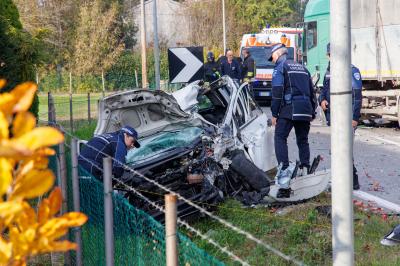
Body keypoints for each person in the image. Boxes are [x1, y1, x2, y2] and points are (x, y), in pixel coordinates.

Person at [269, 43, 317, 198]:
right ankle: (305, 168)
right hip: (306, 109)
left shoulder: (280, 67)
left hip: (289, 109)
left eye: (273, 58)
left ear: (277, 54)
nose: (272, 61)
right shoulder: (303, 68)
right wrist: (312, 110)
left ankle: (284, 170)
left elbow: (277, 92)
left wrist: (274, 113)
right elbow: (312, 91)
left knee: (280, 137)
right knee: (303, 140)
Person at [320, 42, 362, 190]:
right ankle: (351, 180)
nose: (332, 58)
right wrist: (322, 100)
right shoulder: (329, 71)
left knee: (342, 149)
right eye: (330, 55)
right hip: (333, 116)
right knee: (338, 149)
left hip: (347, 117)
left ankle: (348, 180)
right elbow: (324, 89)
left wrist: (355, 118)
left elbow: (357, 96)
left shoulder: (351, 70)